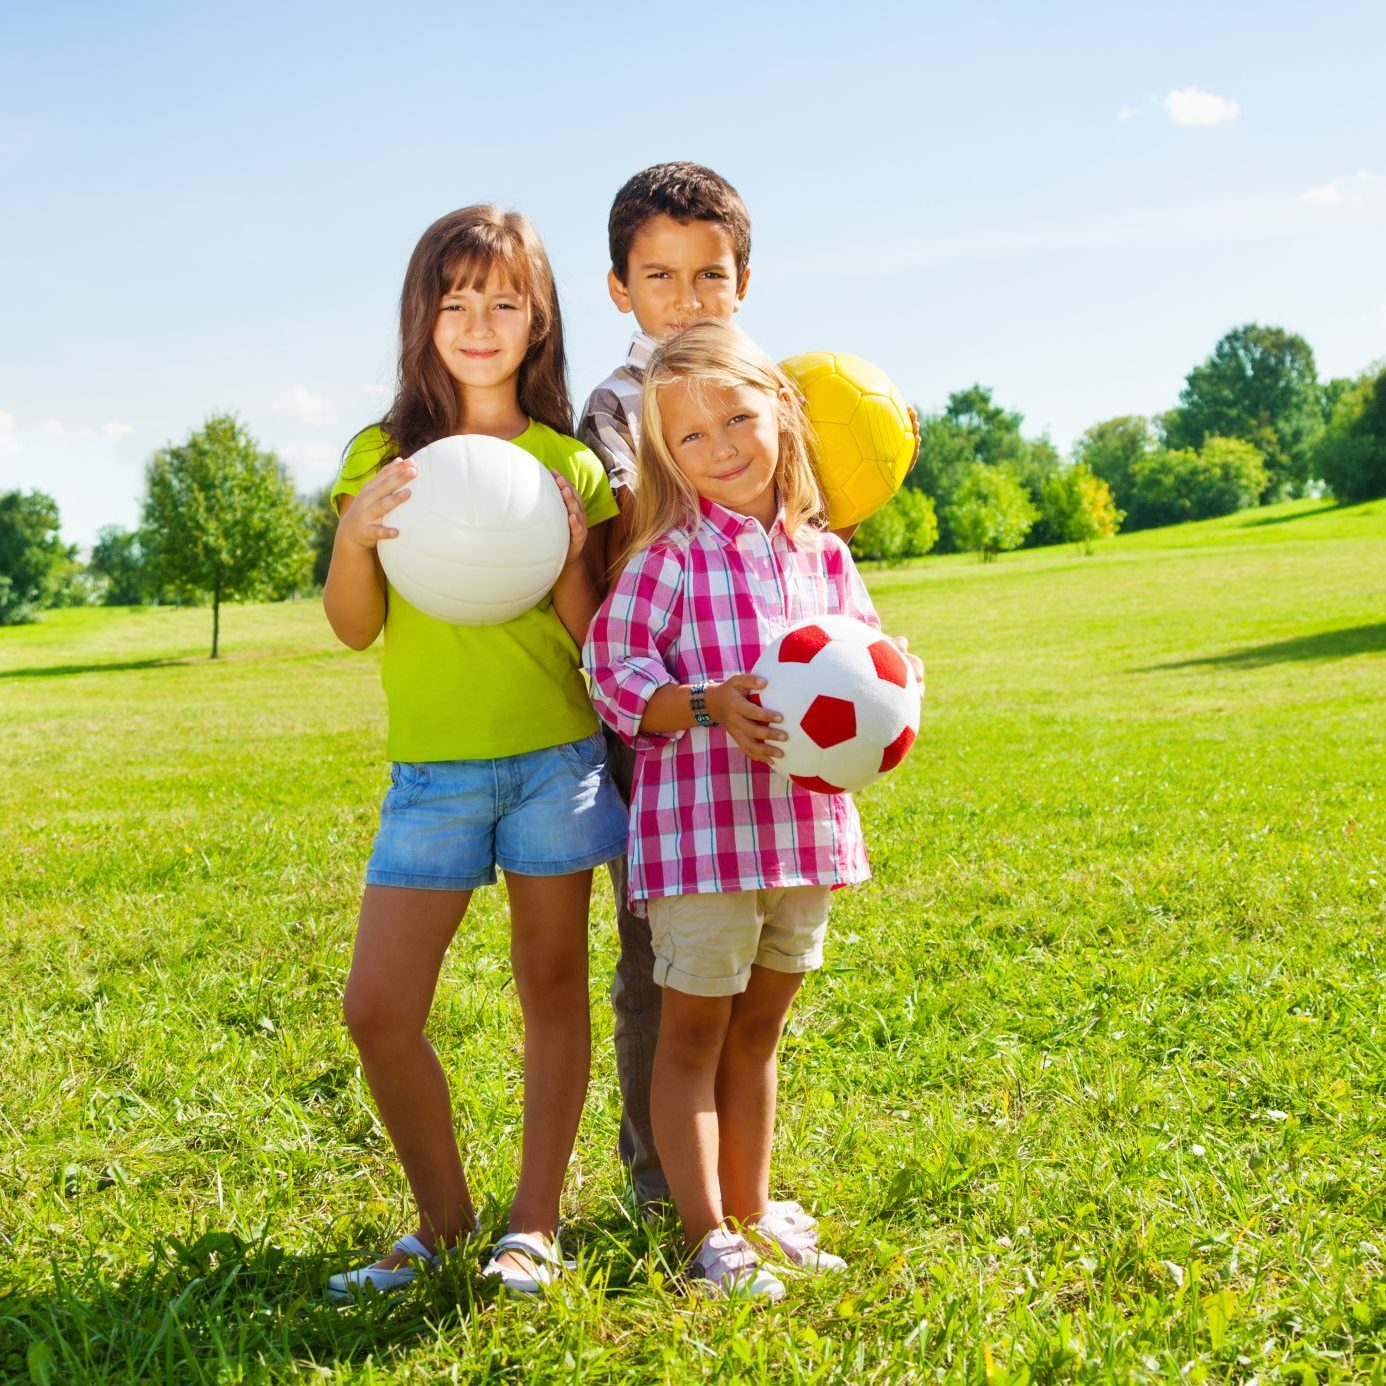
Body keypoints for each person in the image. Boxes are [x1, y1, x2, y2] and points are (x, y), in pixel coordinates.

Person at [583, 321, 924, 1299]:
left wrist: (897, 699)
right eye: (692, 438)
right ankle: (706, 1242)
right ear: (665, 458)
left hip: (802, 836)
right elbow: (610, 673)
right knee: (692, 1035)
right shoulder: (669, 560)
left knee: (760, 1033)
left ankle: (752, 1207)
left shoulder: (824, 560)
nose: (723, 448)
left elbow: (866, 672)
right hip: (703, 840)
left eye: (739, 417)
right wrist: (703, 703)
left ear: (783, 412)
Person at [322, 205, 626, 1300]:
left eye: (504, 300)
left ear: (539, 319)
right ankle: (444, 1225)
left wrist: (563, 560)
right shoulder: (381, 458)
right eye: (456, 300)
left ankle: (531, 1228)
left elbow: (595, 643)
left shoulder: (570, 466)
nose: (481, 322)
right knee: (378, 1008)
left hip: (556, 759)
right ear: (424, 317)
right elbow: (355, 626)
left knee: (552, 986)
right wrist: (356, 534)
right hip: (433, 779)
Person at [577, 162, 752, 1216]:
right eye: (661, 276)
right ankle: (658, 1186)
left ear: (743, 282)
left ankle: (739, 1179)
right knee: (660, 964)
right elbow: (624, 542)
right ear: (620, 291)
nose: (688, 301)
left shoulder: (768, 394)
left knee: (748, 957)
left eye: (711, 276)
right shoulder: (621, 405)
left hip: (757, 724)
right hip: (658, 725)